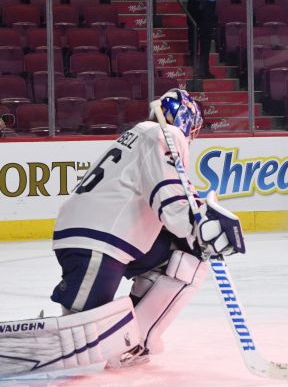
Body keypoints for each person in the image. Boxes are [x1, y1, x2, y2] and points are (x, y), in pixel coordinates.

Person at [0, 89, 245, 378]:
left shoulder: (140, 134)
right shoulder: (163, 135)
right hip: (100, 237)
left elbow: (174, 193)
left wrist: (197, 222)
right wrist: (195, 226)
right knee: (80, 338)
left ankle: (134, 341)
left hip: (106, 234)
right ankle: (83, 340)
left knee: (182, 255)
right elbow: (167, 191)